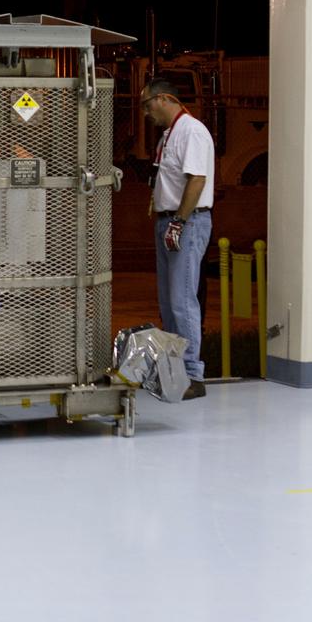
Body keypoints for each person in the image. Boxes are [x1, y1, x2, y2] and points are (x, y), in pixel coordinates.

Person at [140, 77, 215, 400]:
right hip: (168, 220)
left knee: (182, 300)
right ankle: (173, 372)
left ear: (164, 98)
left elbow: (197, 180)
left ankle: (192, 375)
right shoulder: (169, 135)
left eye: (147, 104)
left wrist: (180, 221)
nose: (145, 113)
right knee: (168, 302)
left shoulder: (192, 131)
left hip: (186, 222)